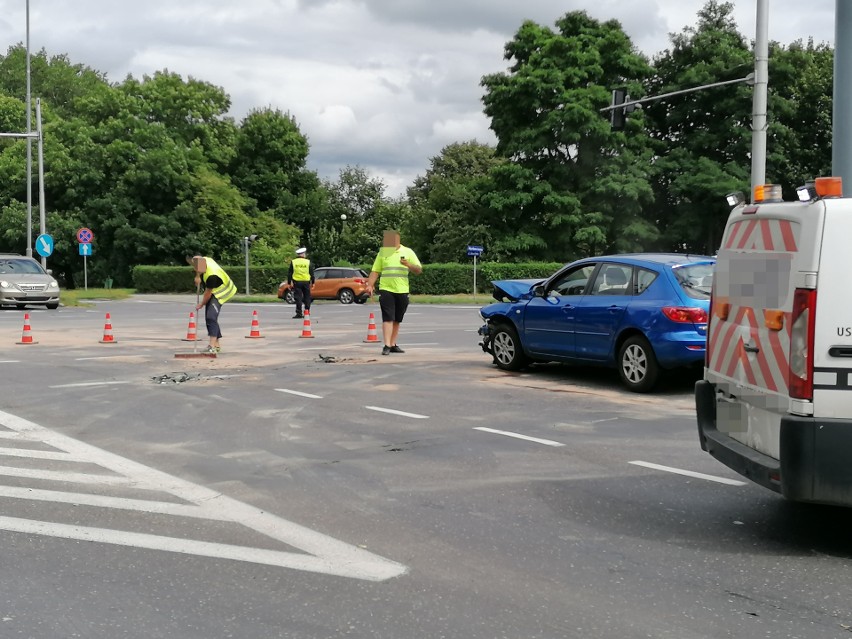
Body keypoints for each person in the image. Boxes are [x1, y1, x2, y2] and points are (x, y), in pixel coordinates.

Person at [365, 230, 422, 356]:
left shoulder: (408, 252)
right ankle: (386, 345)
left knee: (397, 319)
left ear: (398, 239)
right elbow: (375, 271)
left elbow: (418, 270)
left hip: (402, 290)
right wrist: (370, 285)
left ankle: (393, 343)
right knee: (388, 317)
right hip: (386, 289)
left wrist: (408, 264)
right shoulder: (383, 252)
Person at [188, 255, 237, 353]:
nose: (194, 269)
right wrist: (197, 277)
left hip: (223, 291)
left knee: (211, 317)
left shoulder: (212, 276)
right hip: (214, 289)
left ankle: (212, 346)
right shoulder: (204, 260)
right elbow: (198, 269)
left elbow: (207, 293)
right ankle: (216, 344)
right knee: (210, 317)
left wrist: (201, 304)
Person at [288, 247, 315, 319]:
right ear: (302, 254)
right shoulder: (308, 262)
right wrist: (313, 282)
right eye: (304, 253)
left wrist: (289, 283)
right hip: (306, 282)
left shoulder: (293, 262)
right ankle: (307, 312)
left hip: (297, 282)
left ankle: (299, 313)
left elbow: (290, 273)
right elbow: (311, 273)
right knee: (307, 297)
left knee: (298, 298)